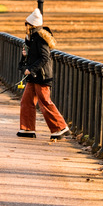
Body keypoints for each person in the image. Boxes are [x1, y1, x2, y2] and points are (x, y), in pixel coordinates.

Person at [16, 9, 70, 140]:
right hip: (34, 77)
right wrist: (25, 56)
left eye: (27, 24)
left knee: (45, 102)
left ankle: (60, 128)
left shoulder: (40, 38)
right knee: (26, 101)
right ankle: (27, 129)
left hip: (42, 76)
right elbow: (34, 56)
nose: (25, 27)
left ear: (32, 25)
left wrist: (31, 69)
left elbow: (45, 57)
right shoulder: (31, 38)